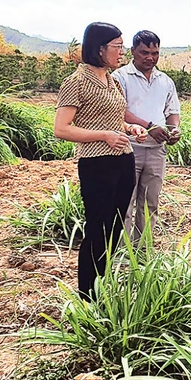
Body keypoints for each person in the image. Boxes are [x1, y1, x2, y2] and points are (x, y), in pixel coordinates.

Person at [54, 22, 148, 301]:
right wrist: (104, 135)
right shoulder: (76, 82)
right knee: (98, 228)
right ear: (99, 48)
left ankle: (101, 285)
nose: (121, 52)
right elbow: (62, 128)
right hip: (96, 163)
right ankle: (87, 296)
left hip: (122, 160)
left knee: (115, 226)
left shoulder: (112, 80)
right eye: (117, 46)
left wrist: (130, 129)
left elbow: (112, 117)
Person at [112, 30, 181, 242]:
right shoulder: (119, 77)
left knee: (150, 202)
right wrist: (149, 126)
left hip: (157, 150)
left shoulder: (165, 81)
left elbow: (172, 112)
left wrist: (174, 129)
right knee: (124, 202)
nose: (150, 57)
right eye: (144, 52)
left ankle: (143, 252)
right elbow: (118, 110)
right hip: (127, 147)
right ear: (133, 51)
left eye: (155, 53)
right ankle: (122, 253)